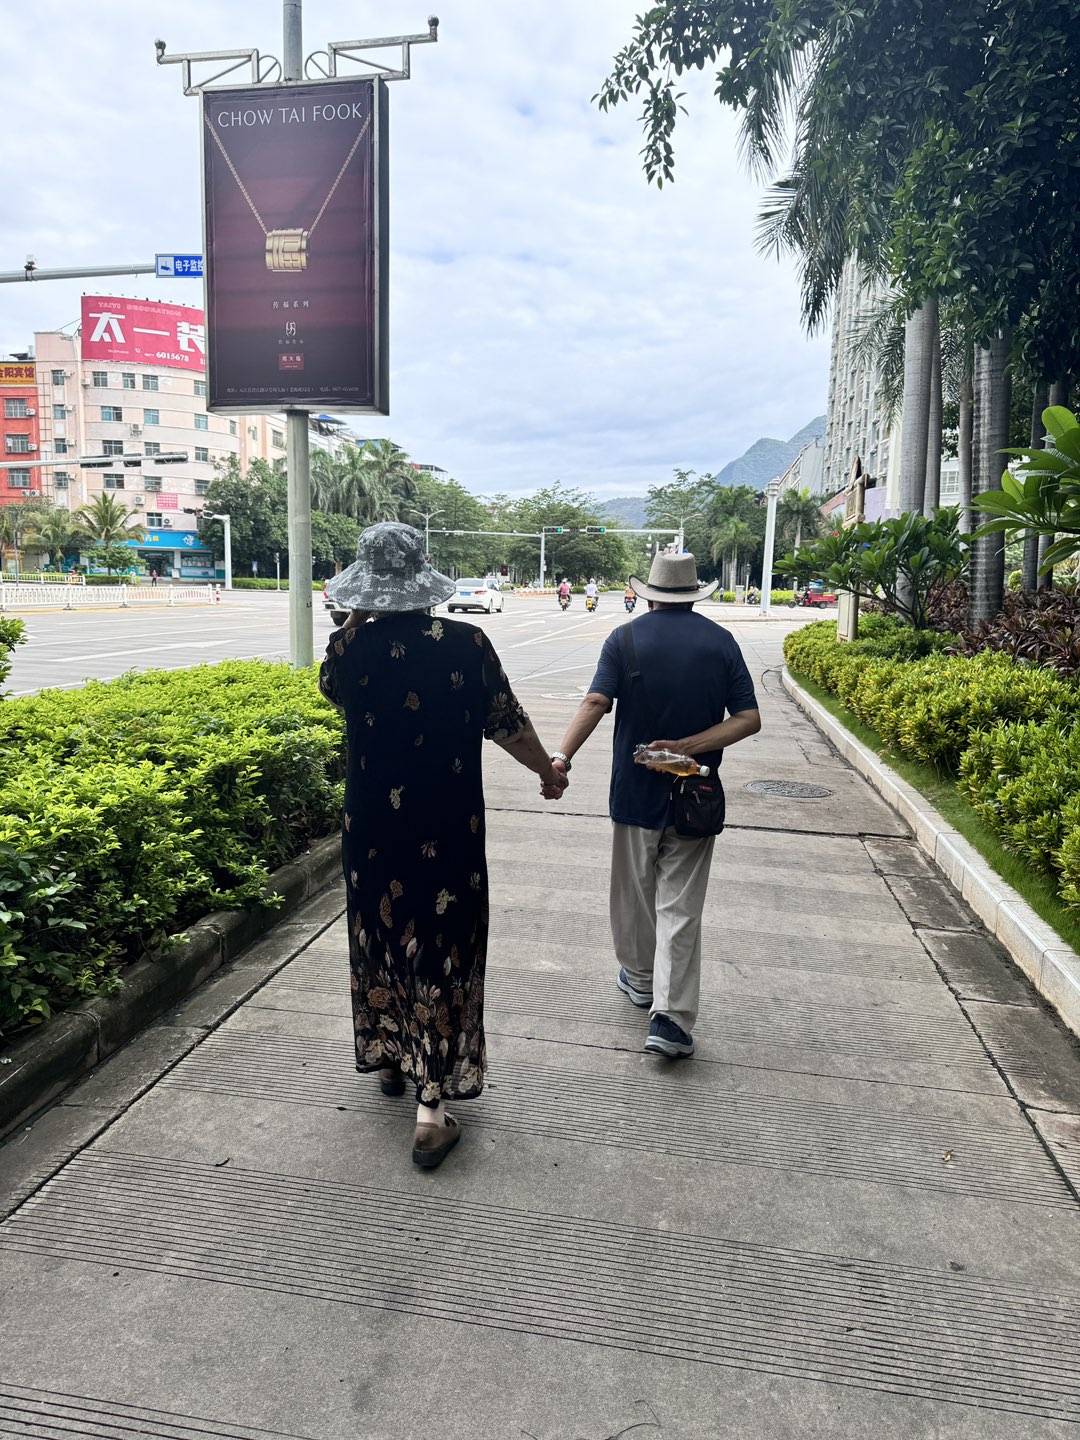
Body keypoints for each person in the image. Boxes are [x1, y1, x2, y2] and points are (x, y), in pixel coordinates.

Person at [319, 523, 568, 1170]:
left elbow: (336, 691)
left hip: (371, 830)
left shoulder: (345, 650)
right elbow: (508, 725)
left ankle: (392, 1057)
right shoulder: (466, 644)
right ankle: (431, 1109)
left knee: (380, 934)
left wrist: (357, 616)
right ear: (423, 578)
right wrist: (547, 772)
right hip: (448, 829)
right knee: (442, 946)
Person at [550, 550, 760, 1059]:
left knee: (634, 896)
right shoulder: (721, 642)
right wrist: (688, 747)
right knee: (680, 907)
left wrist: (561, 759)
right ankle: (670, 1019)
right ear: (693, 595)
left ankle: (641, 980)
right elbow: (748, 719)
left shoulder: (624, 639)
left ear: (648, 596)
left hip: (634, 793)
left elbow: (596, 702)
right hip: (696, 796)